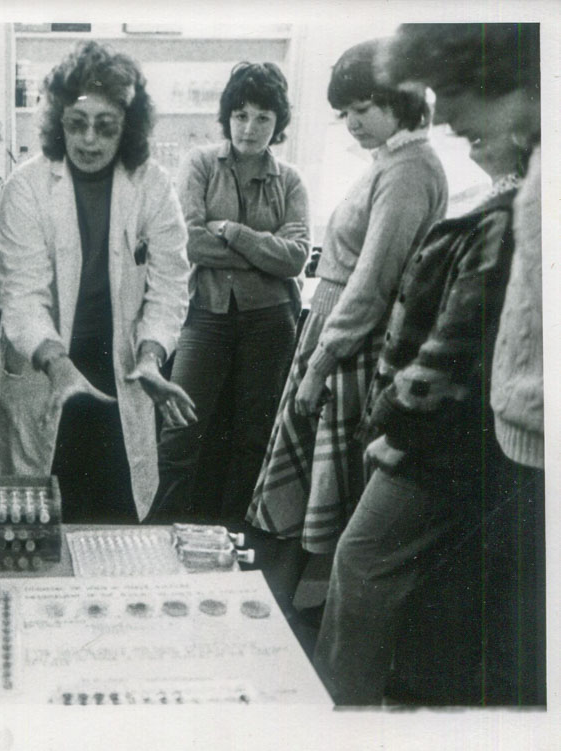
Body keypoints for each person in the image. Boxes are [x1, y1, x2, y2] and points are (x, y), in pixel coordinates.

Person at [314, 22, 543, 706]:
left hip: (451, 432)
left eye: (456, 93)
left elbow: (460, 337)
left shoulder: (500, 202)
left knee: (362, 559)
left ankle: (341, 722)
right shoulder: (504, 188)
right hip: (475, 429)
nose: (444, 113)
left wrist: (393, 421)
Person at [244, 39, 447, 572]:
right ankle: (282, 608)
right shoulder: (390, 162)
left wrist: (321, 363)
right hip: (335, 328)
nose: (353, 123)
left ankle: (290, 617)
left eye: (363, 109)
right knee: (305, 480)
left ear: (400, 99)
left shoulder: (408, 169)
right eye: (346, 113)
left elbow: (373, 282)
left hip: (351, 341)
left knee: (318, 484)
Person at [0, 41, 196, 523]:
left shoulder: (153, 185)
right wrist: (58, 367)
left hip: (121, 370)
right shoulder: (27, 187)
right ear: (58, 123)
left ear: (129, 127)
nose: (90, 141)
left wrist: (150, 356)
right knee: (35, 517)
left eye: (106, 127)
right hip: (46, 369)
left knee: (115, 514)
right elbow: (22, 296)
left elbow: (169, 286)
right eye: (77, 124)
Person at [154, 62, 310, 523]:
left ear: (278, 123)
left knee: (253, 436)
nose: (250, 128)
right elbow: (188, 240)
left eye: (263, 118)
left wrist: (235, 234)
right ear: (227, 117)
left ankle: (233, 541)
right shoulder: (201, 163)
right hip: (204, 313)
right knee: (180, 427)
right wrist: (264, 254)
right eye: (240, 115)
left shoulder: (291, 180)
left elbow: (297, 257)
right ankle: (164, 531)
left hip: (272, 319)